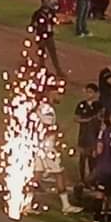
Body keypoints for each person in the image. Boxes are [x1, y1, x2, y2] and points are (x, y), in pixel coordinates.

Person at [33, 85, 82, 215]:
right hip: (47, 148)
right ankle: (66, 205)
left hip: (38, 146)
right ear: (50, 93)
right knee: (59, 174)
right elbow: (47, 129)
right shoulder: (47, 109)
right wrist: (65, 127)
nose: (59, 97)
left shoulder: (40, 107)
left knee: (36, 175)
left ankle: (26, 203)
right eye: (57, 94)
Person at [74, 84, 103, 183]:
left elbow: (101, 118)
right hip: (83, 136)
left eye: (90, 92)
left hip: (94, 135)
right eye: (87, 91)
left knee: (92, 159)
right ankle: (82, 179)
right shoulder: (81, 105)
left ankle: (91, 180)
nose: (88, 94)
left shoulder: (99, 105)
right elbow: (76, 118)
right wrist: (88, 120)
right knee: (82, 158)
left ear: (95, 93)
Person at [30, 0, 64, 78]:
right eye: (45, 2)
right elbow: (33, 24)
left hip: (49, 35)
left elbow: (54, 21)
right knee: (42, 53)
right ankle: (42, 69)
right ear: (42, 3)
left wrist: (54, 22)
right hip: (41, 36)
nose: (47, 4)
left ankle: (58, 70)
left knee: (53, 53)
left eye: (48, 2)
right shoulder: (37, 13)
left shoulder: (51, 12)